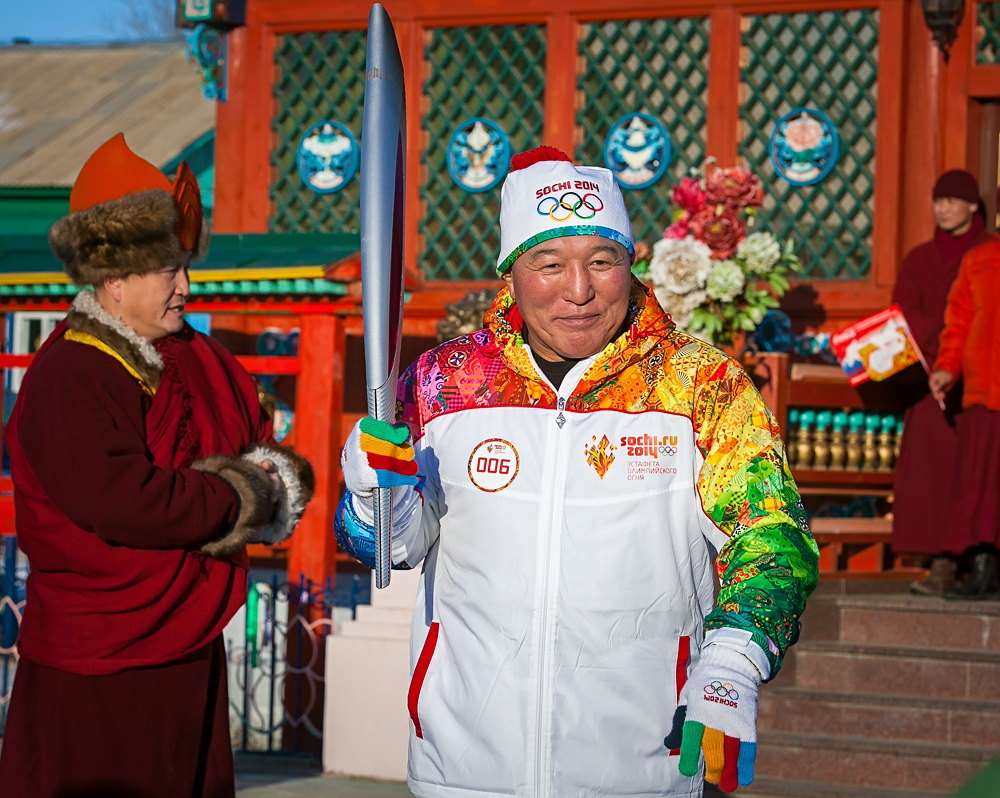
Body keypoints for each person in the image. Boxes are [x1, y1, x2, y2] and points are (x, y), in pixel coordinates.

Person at [335, 147, 818, 797]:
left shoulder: (699, 383)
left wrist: (733, 657)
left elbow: (771, 533)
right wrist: (374, 500)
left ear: (630, 263)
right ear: (511, 273)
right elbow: (392, 549)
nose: (580, 290)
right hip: (464, 771)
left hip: (641, 770)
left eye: (601, 261)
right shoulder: (443, 384)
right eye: (549, 264)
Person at [0, 134, 314, 797]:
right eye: (167, 269)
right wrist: (241, 495)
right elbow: (118, 499)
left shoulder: (198, 355)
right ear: (114, 278)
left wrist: (268, 483)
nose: (186, 285)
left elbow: (264, 444)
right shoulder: (73, 370)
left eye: (183, 266)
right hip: (99, 662)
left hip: (188, 643)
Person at [892, 169, 990, 596]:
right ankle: (941, 563)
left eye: (954, 200)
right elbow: (903, 312)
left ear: (973, 205)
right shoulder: (919, 259)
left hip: (983, 375)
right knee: (932, 472)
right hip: (932, 374)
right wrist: (942, 337)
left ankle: (978, 560)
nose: (945, 208)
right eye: (939, 200)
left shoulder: (988, 254)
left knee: (977, 474)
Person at [930, 184, 1000, 600]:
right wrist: (945, 368)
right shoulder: (980, 259)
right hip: (983, 390)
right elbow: (958, 322)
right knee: (981, 487)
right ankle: (981, 568)